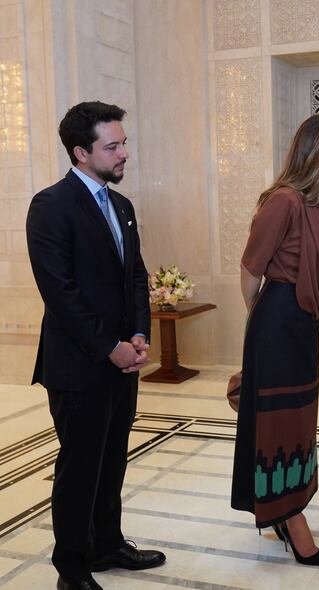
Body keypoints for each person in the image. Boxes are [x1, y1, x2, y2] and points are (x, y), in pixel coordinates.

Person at [26, 102, 165, 590]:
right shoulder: (50, 205)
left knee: (113, 460)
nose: (125, 152)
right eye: (114, 146)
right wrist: (110, 346)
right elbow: (59, 292)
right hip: (79, 364)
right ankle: (72, 567)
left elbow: (136, 277)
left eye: (124, 142)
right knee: (80, 467)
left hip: (122, 361)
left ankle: (107, 544)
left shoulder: (121, 205)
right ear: (81, 152)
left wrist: (140, 335)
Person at [231, 114, 319, 567]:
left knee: (300, 421)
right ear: (317, 154)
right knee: (278, 423)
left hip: (305, 322)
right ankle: (290, 516)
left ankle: (288, 507)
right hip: (277, 319)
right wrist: (259, 323)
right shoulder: (283, 201)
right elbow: (250, 270)